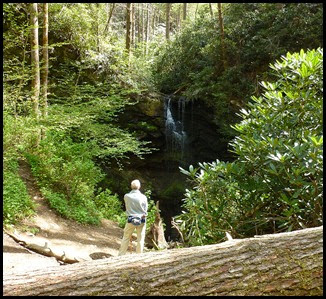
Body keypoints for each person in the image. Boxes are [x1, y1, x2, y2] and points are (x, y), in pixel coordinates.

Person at [118, 179, 148, 256]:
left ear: (131, 186)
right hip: (141, 219)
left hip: (131, 219)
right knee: (140, 239)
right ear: (139, 187)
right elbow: (145, 210)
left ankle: (121, 255)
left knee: (126, 237)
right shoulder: (143, 197)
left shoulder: (126, 196)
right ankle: (139, 255)